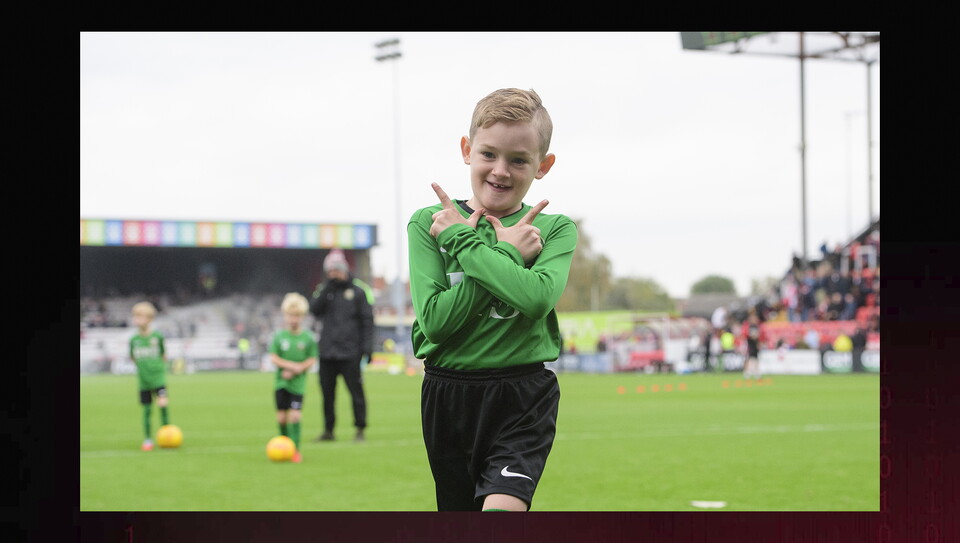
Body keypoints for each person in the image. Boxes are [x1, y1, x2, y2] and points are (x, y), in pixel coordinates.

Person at [407, 88, 576, 512]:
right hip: (448, 394)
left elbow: (537, 299)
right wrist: (507, 257)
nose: (500, 171)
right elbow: (436, 323)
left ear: (543, 166)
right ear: (467, 150)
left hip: (522, 396)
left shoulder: (552, 230)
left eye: (518, 160)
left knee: (502, 512)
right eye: (488, 154)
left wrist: (464, 243)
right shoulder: (430, 223)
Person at [310, 249, 375, 443]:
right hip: (327, 352)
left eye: (336, 270)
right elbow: (314, 310)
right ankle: (328, 430)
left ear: (345, 269)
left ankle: (360, 429)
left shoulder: (358, 292)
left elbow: (367, 321)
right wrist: (328, 288)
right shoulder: (324, 291)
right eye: (330, 271)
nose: (333, 274)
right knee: (327, 394)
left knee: (356, 392)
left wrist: (368, 348)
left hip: (350, 352)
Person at [269, 293, 318, 463]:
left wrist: (299, 369)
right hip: (281, 383)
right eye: (290, 315)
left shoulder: (308, 338)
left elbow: (312, 359)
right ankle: (283, 445)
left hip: (298, 385)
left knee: (295, 416)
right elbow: (273, 358)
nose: (293, 319)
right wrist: (291, 366)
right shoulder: (279, 336)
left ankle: (295, 450)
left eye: (297, 315)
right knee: (282, 417)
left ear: (302, 317)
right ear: (285, 315)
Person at [129, 301, 171, 451]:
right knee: (147, 409)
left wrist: (157, 369)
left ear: (149, 319)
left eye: (140, 317)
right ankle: (147, 439)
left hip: (158, 379)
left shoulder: (157, 337)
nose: (137, 320)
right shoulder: (134, 340)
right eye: (135, 317)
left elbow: (163, 355)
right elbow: (132, 358)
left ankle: (167, 435)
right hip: (143, 382)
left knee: (163, 405)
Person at [741, 310, 764, 380]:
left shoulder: (757, 326)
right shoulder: (748, 326)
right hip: (749, 345)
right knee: (749, 358)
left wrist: (759, 342)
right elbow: (746, 335)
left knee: (755, 359)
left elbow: (759, 336)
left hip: (755, 345)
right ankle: (747, 373)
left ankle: (756, 373)